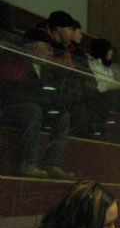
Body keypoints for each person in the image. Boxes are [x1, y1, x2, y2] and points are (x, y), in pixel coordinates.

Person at [0, 28, 75, 178]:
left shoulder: (45, 69)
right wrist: (44, 102)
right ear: (35, 47)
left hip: (36, 107)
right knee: (32, 110)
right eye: (48, 48)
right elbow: (11, 92)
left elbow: (49, 93)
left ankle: (53, 164)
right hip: (9, 107)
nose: (51, 53)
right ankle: (27, 163)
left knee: (63, 116)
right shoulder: (14, 61)